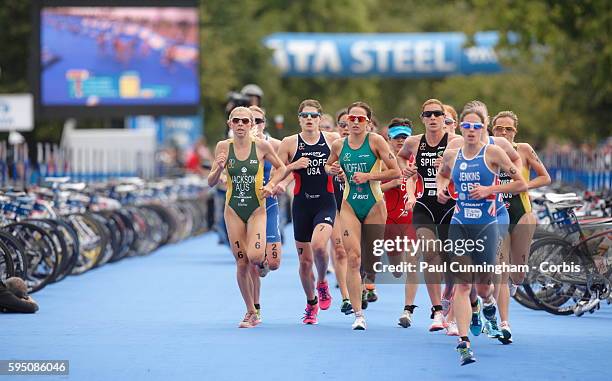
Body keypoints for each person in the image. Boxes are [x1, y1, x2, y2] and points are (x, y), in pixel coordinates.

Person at [436, 107, 527, 365]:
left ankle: (487, 305)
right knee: (463, 284)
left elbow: (519, 183)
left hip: (488, 223)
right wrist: (443, 190)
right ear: (460, 128)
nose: (472, 131)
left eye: (477, 127)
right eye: (467, 126)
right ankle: (464, 343)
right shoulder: (452, 155)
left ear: (484, 128)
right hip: (460, 222)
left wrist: (491, 188)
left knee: (484, 286)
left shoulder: (494, 152)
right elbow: (442, 176)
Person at [207, 106, 287, 328]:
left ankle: (259, 275)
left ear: (252, 125)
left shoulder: (261, 146)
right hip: (233, 210)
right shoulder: (223, 147)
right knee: (241, 263)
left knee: (254, 256)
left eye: (245, 121)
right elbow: (211, 181)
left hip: (256, 209)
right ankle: (251, 311)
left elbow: (281, 169)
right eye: (236, 121)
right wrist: (218, 168)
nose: (240, 125)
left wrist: (271, 185)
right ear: (230, 124)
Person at [325, 101, 400, 330]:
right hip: (349, 204)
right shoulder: (338, 145)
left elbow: (395, 171)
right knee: (353, 257)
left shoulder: (376, 141)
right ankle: (358, 314)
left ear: (368, 122)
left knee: (370, 261)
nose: (355, 122)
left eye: (360, 119)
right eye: (352, 118)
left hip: (374, 204)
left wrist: (368, 176)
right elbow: (328, 166)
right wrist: (334, 170)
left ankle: (369, 282)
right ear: (346, 121)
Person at [275, 100, 341, 325]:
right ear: (299, 119)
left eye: (314, 116)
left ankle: (322, 282)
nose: (310, 119)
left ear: (320, 119)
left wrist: (337, 170)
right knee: (304, 262)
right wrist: (293, 167)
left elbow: (346, 164)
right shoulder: (289, 143)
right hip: (301, 204)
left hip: (325, 202)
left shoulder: (332, 141)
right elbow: (278, 171)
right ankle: (311, 303)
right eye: (305, 116)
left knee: (320, 245)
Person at [397, 99, 461, 332]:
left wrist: (448, 167)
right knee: (430, 253)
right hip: (424, 205)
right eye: (428, 114)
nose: (433, 118)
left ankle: (452, 311)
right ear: (422, 118)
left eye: (437, 114)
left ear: (444, 118)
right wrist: (406, 170)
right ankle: (436, 311)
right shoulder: (414, 142)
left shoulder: (456, 141)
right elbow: (402, 157)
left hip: (451, 204)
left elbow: (470, 164)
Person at [492, 110, 551, 344]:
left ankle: (515, 282)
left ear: (515, 131)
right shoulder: (488, 151)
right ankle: (504, 322)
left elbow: (544, 177)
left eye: (508, 129)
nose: (503, 132)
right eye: (499, 128)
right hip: (497, 214)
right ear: (492, 129)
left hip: (521, 214)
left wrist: (524, 185)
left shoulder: (523, 150)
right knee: (500, 268)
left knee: (518, 272)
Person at [380, 119, 419, 327]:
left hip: (412, 218)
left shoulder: (418, 160)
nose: (401, 141)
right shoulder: (382, 160)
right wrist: (392, 183)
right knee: (396, 269)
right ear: (389, 139)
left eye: (405, 137)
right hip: (389, 220)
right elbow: (371, 188)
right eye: (397, 138)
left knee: (413, 263)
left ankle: (408, 310)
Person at [247, 105, 284, 321]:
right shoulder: (238, 147)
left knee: (274, 263)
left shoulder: (274, 145)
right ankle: (255, 307)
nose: (255, 125)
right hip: (248, 208)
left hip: (268, 204)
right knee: (252, 260)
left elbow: (285, 168)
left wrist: (276, 184)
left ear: (265, 123)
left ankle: (263, 263)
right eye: (251, 120)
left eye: (259, 120)